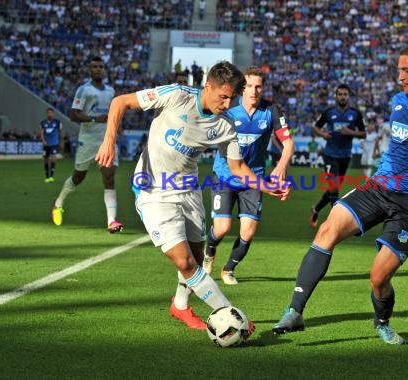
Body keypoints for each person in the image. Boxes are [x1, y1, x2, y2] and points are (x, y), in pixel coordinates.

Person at [272, 43, 408, 345]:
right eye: (398, 69)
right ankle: (295, 310)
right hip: (379, 187)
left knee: (378, 278)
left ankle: (382, 322)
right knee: (327, 229)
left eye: (406, 70)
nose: (399, 76)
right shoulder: (397, 100)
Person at [95, 61, 290, 331]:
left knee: (197, 257)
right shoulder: (176, 95)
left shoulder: (225, 126)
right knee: (185, 261)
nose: (227, 103)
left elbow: (237, 168)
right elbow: (120, 102)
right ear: (207, 86)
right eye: (223, 96)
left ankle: (180, 306)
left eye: (232, 97)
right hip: (153, 189)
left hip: (188, 188)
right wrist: (109, 140)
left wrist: (266, 186)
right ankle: (229, 313)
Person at [203, 66, 295, 285]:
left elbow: (288, 143)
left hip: (254, 179)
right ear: (242, 88)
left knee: (249, 231)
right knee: (222, 228)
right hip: (225, 176)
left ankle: (228, 269)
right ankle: (210, 251)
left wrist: (281, 165)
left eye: (258, 86)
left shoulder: (271, 111)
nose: (254, 91)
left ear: (263, 89)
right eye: (249, 86)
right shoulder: (229, 110)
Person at [51, 56, 124, 233]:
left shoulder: (110, 91)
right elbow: (73, 114)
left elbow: (113, 114)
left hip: (106, 140)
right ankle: (58, 203)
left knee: (109, 178)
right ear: (89, 70)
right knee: (78, 177)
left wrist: (117, 130)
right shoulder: (83, 90)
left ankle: (111, 222)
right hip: (88, 141)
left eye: (100, 66)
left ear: (104, 69)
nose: (98, 69)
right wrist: (93, 118)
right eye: (94, 67)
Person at [309, 84, 366, 228]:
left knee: (332, 190)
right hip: (330, 154)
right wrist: (322, 134)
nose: (342, 97)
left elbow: (363, 133)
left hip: (345, 155)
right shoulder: (328, 112)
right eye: (340, 94)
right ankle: (335, 222)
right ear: (336, 96)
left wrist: (351, 133)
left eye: (345, 94)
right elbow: (315, 127)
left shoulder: (355, 113)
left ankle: (316, 209)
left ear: (349, 96)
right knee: (334, 188)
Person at [40, 107, 63, 183]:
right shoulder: (43, 122)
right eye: (48, 113)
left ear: (53, 114)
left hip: (54, 143)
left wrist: (61, 142)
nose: (50, 114)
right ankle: (47, 177)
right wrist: (43, 140)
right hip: (46, 144)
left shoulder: (57, 122)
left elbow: (60, 132)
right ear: (47, 114)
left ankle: (52, 176)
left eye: (51, 113)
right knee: (46, 160)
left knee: (53, 158)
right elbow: (42, 132)